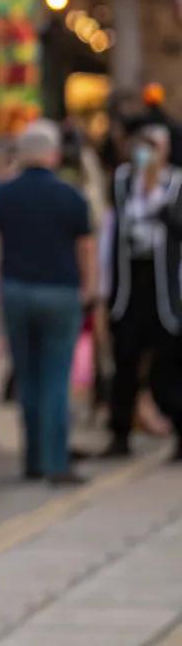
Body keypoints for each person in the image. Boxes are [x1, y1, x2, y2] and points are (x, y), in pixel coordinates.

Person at [0, 120, 96, 485]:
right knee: (55, 376)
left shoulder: (1, 195)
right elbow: (86, 247)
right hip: (60, 292)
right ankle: (55, 461)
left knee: (27, 376)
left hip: (16, 290)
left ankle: (32, 459)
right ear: (53, 154)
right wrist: (90, 288)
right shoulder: (71, 196)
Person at [100, 122, 182, 460]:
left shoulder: (176, 184)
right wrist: (103, 290)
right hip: (130, 288)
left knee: (168, 369)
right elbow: (109, 235)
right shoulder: (121, 183)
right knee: (125, 363)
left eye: (153, 146)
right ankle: (120, 432)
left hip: (165, 290)